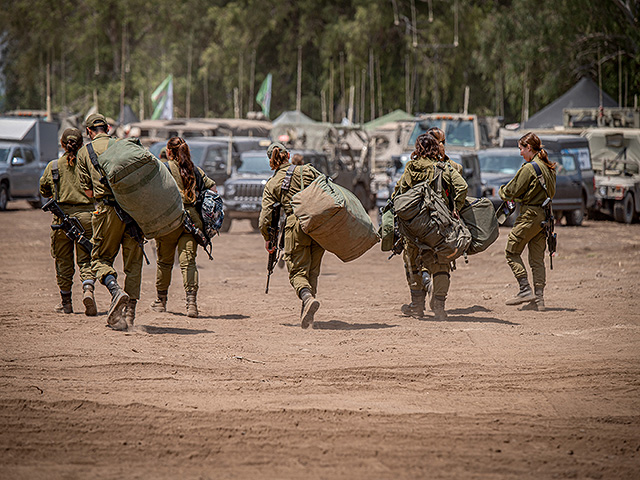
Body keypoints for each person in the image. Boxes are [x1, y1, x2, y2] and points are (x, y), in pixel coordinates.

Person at [76, 113, 143, 331]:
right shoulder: (122, 145)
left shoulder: (84, 153)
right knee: (133, 263)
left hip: (106, 211)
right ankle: (129, 314)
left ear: (88, 132)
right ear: (108, 128)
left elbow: (87, 191)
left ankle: (115, 291)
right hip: (133, 211)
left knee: (99, 259)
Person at [393, 133, 468, 320]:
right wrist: (455, 208)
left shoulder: (411, 167)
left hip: (414, 227)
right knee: (441, 263)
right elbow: (463, 186)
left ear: (418, 148)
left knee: (412, 264)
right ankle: (440, 307)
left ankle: (418, 307)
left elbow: (399, 191)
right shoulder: (442, 168)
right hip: (438, 224)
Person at [259, 142, 323, 329]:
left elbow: (265, 218)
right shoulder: (308, 171)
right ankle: (307, 313)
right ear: (289, 155)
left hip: (296, 227)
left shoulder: (273, 183)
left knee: (297, 272)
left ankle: (307, 298)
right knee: (312, 271)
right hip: (318, 226)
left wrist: (267, 238)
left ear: (271, 161)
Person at [150, 137, 216, 318]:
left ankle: (161, 301)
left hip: (169, 221)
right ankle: (191, 304)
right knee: (189, 262)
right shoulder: (195, 170)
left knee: (164, 262)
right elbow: (213, 189)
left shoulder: (163, 168)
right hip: (192, 223)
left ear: (169, 152)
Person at [39, 128, 97, 316]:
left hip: (61, 220)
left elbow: (44, 191)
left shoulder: (54, 166)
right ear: (81, 145)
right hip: (87, 218)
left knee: (63, 261)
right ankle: (88, 290)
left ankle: (66, 303)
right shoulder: (89, 165)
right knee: (86, 257)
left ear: (62, 144)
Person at [499, 132, 556, 311]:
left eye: (521, 149)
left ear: (529, 148)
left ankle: (524, 289)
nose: (520, 153)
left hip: (530, 215)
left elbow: (510, 191)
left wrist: (501, 192)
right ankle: (539, 300)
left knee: (511, 251)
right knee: (537, 260)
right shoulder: (548, 167)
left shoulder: (530, 168)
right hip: (545, 217)